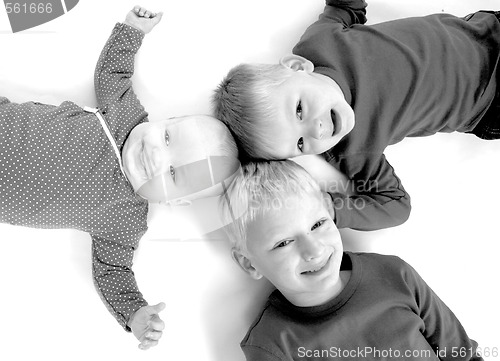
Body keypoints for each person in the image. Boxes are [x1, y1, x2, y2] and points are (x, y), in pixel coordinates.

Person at [0, 6, 239, 350]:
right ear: (165, 120)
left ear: (175, 200)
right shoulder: (125, 115)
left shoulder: (125, 219)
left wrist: (134, 313)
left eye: (173, 173)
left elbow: (112, 272)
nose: (156, 155)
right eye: (169, 137)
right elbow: (112, 72)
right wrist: (133, 30)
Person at [212, 0, 500, 231]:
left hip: (487, 29)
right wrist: (329, 207)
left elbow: (346, 8)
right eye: (300, 144)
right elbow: (395, 206)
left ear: (298, 67)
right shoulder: (352, 152)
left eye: (299, 109)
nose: (317, 130)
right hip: (490, 103)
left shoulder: (320, 44)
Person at [219, 160, 482, 361]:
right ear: (249, 263)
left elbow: (461, 354)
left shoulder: (393, 274)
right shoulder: (272, 345)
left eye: (318, 224)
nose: (313, 249)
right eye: (283, 243)